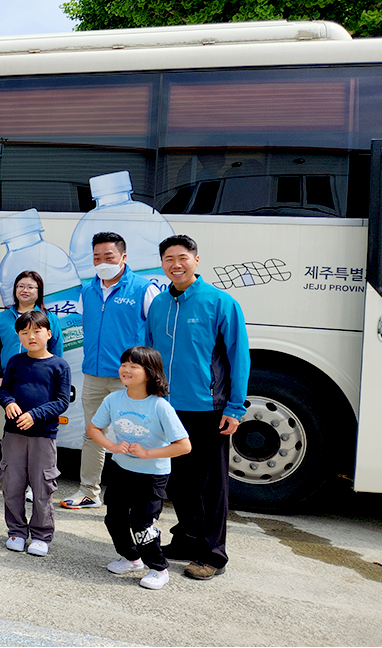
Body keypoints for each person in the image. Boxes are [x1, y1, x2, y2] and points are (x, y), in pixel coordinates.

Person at [145, 234, 249, 581]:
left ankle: (213, 554)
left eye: (183, 257)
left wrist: (234, 407)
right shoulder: (159, 303)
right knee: (175, 482)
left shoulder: (219, 302)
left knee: (210, 485)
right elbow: (149, 354)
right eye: (169, 259)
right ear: (161, 264)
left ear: (196, 260)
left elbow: (239, 357)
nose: (176, 264)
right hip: (166, 407)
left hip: (208, 409)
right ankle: (188, 538)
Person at [62, 232, 162, 511]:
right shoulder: (88, 291)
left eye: (109, 256)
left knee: (134, 437)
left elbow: (156, 335)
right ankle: (89, 492)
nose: (102, 262)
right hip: (94, 376)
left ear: (123, 257)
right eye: (97, 257)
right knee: (93, 433)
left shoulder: (143, 289)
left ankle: (136, 498)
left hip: (130, 380)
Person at [87, 346, 191, 591]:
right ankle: (132, 558)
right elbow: (93, 430)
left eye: (134, 366)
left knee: (142, 523)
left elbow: (184, 446)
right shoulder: (113, 399)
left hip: (152, 475)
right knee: (114, 519)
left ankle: (158, 568)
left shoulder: (160, 407)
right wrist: (112, 445)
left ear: (150, 372)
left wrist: (147, 453)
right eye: (124, 364)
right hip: (121, 470)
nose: (126, 369)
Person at [0, 310, 71, 557]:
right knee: (12, 484)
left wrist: (35, 415)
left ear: (48, 334)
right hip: (13, 435)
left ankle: (40, 535)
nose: (31, 336)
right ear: (18, 335)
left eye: (36, 331)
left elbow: (62, 401)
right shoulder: (16, 362)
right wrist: (8, 402)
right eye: (24, 332)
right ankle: (16, 532)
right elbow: (4, 390)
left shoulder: (59, 365)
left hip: (43, 436)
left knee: (42, 487)